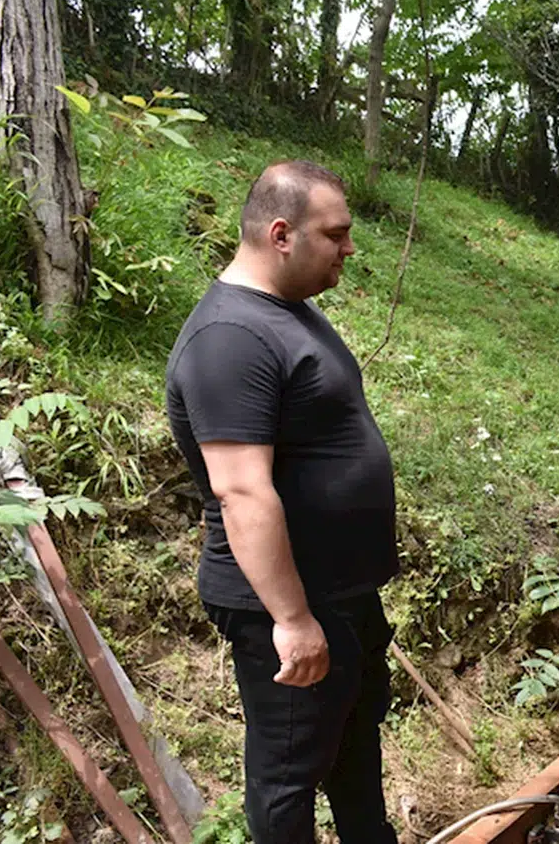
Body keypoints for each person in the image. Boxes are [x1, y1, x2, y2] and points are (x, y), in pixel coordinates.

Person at [165, 161, 398, 843]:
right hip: (288, 604)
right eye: (336, 234)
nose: (349, 248)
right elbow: (240, 490)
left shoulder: (289, 312)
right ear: (280, 234)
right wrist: (292, 620)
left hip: (339, 595)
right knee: (288, 775)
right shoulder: (229, 338)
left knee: (354, 749)